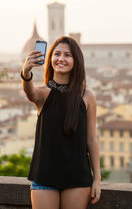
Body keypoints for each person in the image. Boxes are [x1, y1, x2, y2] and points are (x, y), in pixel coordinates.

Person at [21, 36, 101, 209]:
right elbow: (29, 92)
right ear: (50, 59)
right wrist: (26, 73)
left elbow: (92, 140)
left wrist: (97, 179)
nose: (61, 59)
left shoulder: (87, 96)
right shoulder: (43, 93)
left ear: (76, 60)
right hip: (44, 175)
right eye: (57, 54)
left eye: (67, 55)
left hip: (77, 177)